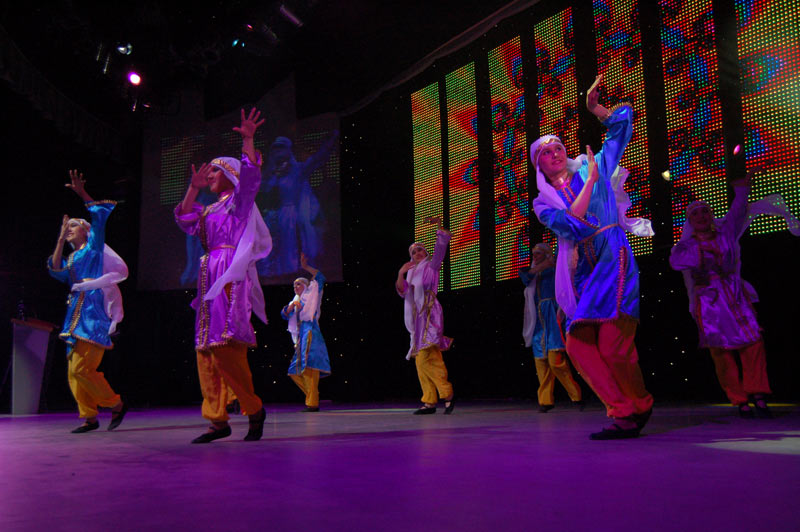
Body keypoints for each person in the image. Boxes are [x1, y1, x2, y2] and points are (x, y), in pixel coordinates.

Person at [531, 74, 655, 439]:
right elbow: (572, 226)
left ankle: (636, 406)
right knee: (578, 345)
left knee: (613, 344)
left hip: (612, 256)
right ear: (539, 165)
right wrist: (589, 184)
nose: (555, 154)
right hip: (582, 271)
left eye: (558, 148)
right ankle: (624, 408)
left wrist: (597, 109)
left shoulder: (592, 165)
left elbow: (622, 128)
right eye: (546, 153)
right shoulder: (543, 202)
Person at [669, 168, 800, 418]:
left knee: (753, 342)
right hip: (710, 301)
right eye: (695, 213)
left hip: (735, 294)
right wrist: (698, 254)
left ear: (711, 215)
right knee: (721, 351)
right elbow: (676, 262)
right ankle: (739, 400)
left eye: (705, 211)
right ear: (689, 220)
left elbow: (738, 211)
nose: (701, 216)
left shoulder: (726, 232)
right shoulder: (686, 246)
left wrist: (741, 189)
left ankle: (758, 394)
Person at [176, 108, 272, 443]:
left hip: (228, 274)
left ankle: (253, 408)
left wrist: (248, 140)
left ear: (231, 174)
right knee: (205, 349)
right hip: (208, 276)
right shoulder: (208, 210)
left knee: (226, 347)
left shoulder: (237, 204)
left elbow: (251, 180)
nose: (211, 174)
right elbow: (184, 219)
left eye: (217, 169)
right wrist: (193, 188)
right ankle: (217, 421)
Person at [48, 170, 129, 433]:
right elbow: (56, 270)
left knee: (82, 369)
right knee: (73, 372)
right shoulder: (72, 259)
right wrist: (60, 239)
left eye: (73, 226)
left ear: (85, 231)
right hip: (74, 313)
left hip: (93, 311)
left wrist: (82, 193)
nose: (69, 229)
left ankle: (116, 403)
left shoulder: (94, 249)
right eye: (67, 227)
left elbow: (99, 217)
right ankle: (89, 417)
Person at [396, 216, 454, 415]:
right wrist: (401, 273)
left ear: (425, 252)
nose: (417, 253)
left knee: (423, 358)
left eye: (420, 250)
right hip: (417, 318)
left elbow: (440, 249)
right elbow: (402, 291)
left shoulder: (431, 266)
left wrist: (439, 226)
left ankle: (446, 394)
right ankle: (429, 401)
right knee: (429, 358)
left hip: (430, 313)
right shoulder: (411, 273)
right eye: (413, 252)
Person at [521, 243, 583, 412]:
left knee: (556, 361)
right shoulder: (533, 272)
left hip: (554, 314)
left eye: (539, 253)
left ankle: (576, 396)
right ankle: (545, 401)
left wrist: (551, 264)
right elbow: (525, 277)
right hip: (538, 319)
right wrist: (541, 266)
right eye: (534, 254)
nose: (535, 257)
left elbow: (568, 280)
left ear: (547, 254)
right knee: (540, 360)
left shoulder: (557, 268)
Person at [280, 253, 331, 411]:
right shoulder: (295, 301)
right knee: (294, 371)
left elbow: (320, 277)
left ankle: (312, 403)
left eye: (299, 284)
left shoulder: (313, 295)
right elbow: (284, 315)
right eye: (294, 285)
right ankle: (312, 396)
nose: (295, 287)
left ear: (306, 286)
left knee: (310, 368)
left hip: (311, 333)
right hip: (301, 336)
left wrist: (305, 267)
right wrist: (291, 307)